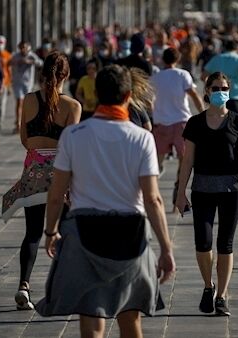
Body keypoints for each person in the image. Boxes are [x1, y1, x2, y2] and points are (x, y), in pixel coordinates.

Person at [35, 64, 175, 338]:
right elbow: (153, 199)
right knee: (130, 319)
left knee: (91, 322)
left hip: (84, 234)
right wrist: (166, 249)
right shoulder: (142, 138)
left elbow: (56, 195)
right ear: (128, 97)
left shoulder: (73, 136)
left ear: (96, 93)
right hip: (131, 236)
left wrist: (51, 231)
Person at [1, 51, 81, 310]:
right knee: (67, 232)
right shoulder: (73, 106)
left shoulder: (28, 100)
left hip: (33, 173)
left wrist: (38, 153)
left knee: (33, 233)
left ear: (42, 73)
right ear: (66, 75)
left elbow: (24, 137)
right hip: (60, 172)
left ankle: (24, 285)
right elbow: (71, 144)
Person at [175, 72, 238, 316]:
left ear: (229, 91)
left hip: (233, 189)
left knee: (225, 243)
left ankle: (221, 296)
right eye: (215, 87)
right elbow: (187, 159)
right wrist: (180, 192)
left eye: (224, 87)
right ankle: (208, 286)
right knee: (203, 241)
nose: (220, 91)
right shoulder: (195, 123)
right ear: (207, 91)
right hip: (202, 188)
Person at [151, 48, 205, 201]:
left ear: (163, 60)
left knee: (157, 159)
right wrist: (202, 114)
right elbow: (194, 95)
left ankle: (153, 188)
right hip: (182, 122)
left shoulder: (156, 77)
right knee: (185, 158)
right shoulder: (183, 75)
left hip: (161, 123)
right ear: (178, 59)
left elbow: (149, 100)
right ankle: (178, 184)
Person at [202, 39, 238, 116]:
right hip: (236, 96)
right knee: (237, 124)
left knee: (218, 124)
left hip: (218, 98)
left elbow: (203, 77)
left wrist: (209, 89)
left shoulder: (216, 58)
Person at [10, 41, 44, 133]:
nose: (23, 50)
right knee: (19, 102)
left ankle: (27, 122)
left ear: (28, 47)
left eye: (24, 47)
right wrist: (17, 61)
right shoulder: (16, 56)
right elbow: (9, 62)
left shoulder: (31, 55)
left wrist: (30, 61)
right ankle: (18, 123)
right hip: (17, 83)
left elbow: (40, 63)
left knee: (27, 103)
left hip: (28, 83)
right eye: (21, 48)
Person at [0, 35, 13, 129]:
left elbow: (9, 71)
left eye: (1, 43)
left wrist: (9, 85)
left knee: (2, 103)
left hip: (4, 83)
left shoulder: (8, 55)